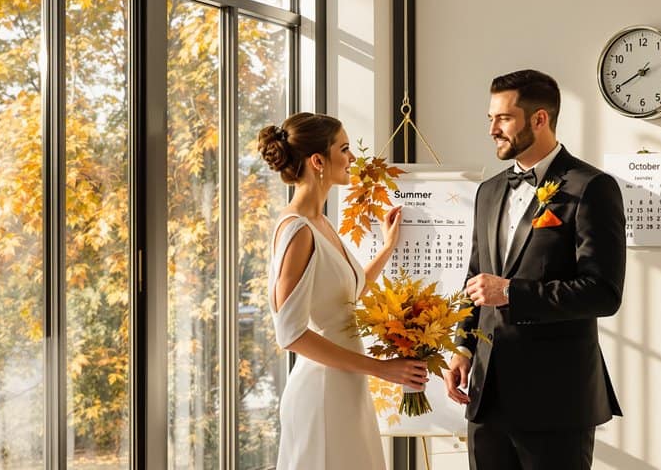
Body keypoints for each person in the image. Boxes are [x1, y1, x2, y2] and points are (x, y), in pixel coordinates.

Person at [441, 69, 626, 470]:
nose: (492, 129)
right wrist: (462, 347)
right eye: (490, 118)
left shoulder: (591, 187)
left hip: (557, 402)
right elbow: (475, 277)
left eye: (503, 118)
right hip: (486, 398)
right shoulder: (488, 191)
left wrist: (510, 292)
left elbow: (603, 292)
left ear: (539, 119)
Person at [258, 112, 429, 470]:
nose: (352, 159)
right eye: (345, 149)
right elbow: (289, 333)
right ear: (318, 161)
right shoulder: (297, 230)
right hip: (321, 393)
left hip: (345, 388)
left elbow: (347, 295)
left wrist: (387, 247)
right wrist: (381, 369)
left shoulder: (321, 223)